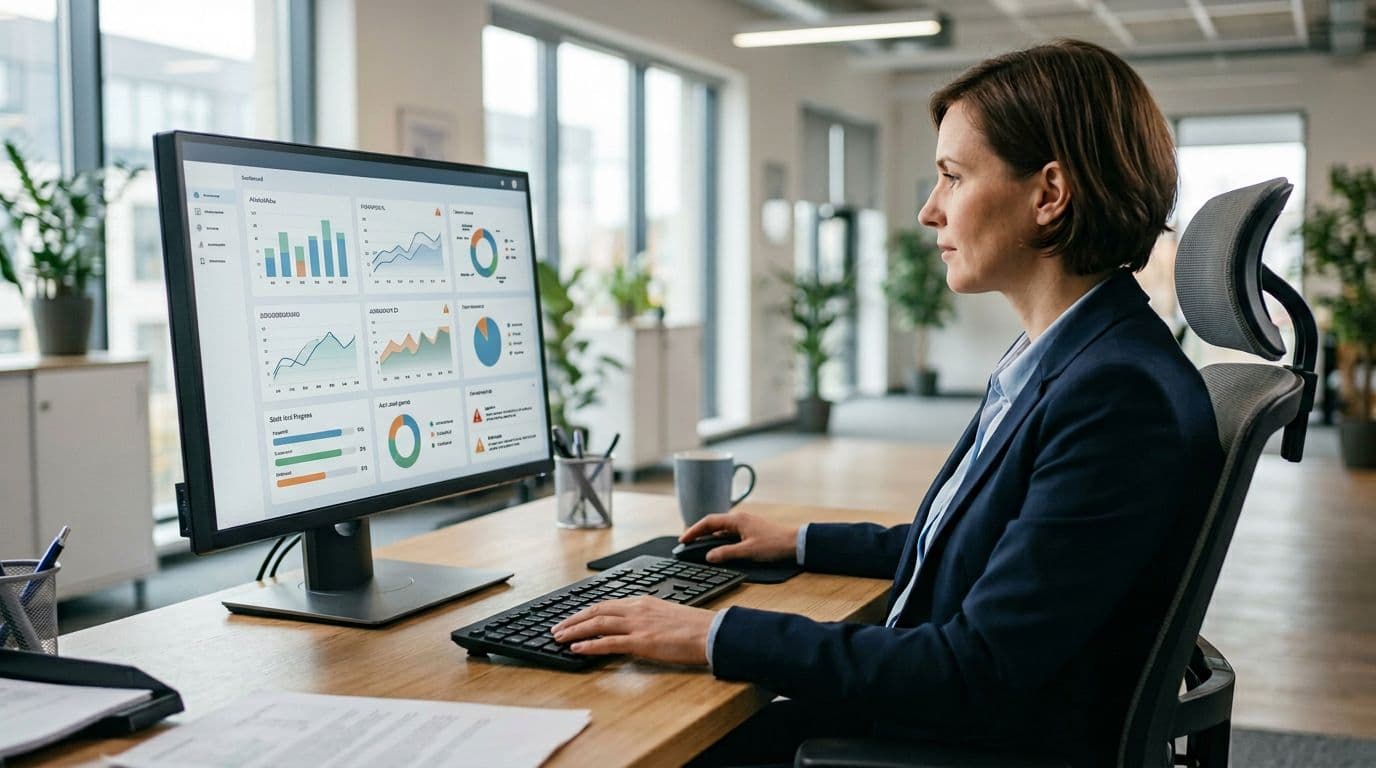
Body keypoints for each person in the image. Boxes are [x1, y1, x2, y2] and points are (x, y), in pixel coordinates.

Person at [551, 39, 1223, 768]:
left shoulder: (1116, 395)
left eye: (952, 177)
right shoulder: (1079, 353)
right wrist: (802, 540)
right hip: (933, 722)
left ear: (1049, 195)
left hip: (952, 743)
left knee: (618, 740)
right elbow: (986, 547)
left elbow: (975, 670)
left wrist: (709, 635)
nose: (929, 211)